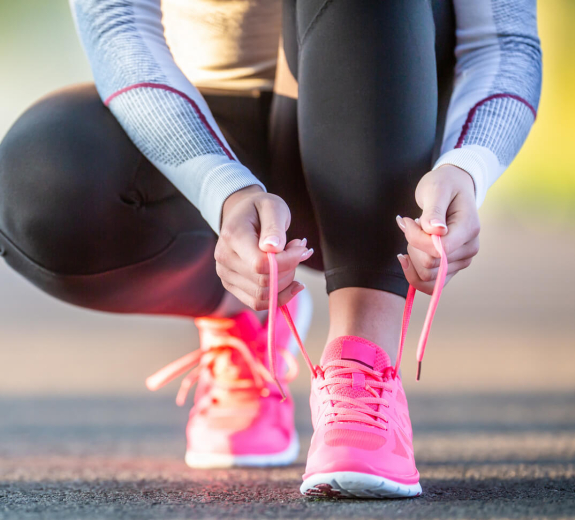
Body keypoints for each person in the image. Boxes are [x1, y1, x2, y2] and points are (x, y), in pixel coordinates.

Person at [0, 0, 541, 498]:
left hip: (387, 112)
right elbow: (119, 27)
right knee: (36, 187)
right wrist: (223, 189)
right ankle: (247, 321)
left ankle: (362, 363)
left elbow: (505, 43)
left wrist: (468, 166)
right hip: (204, 128)